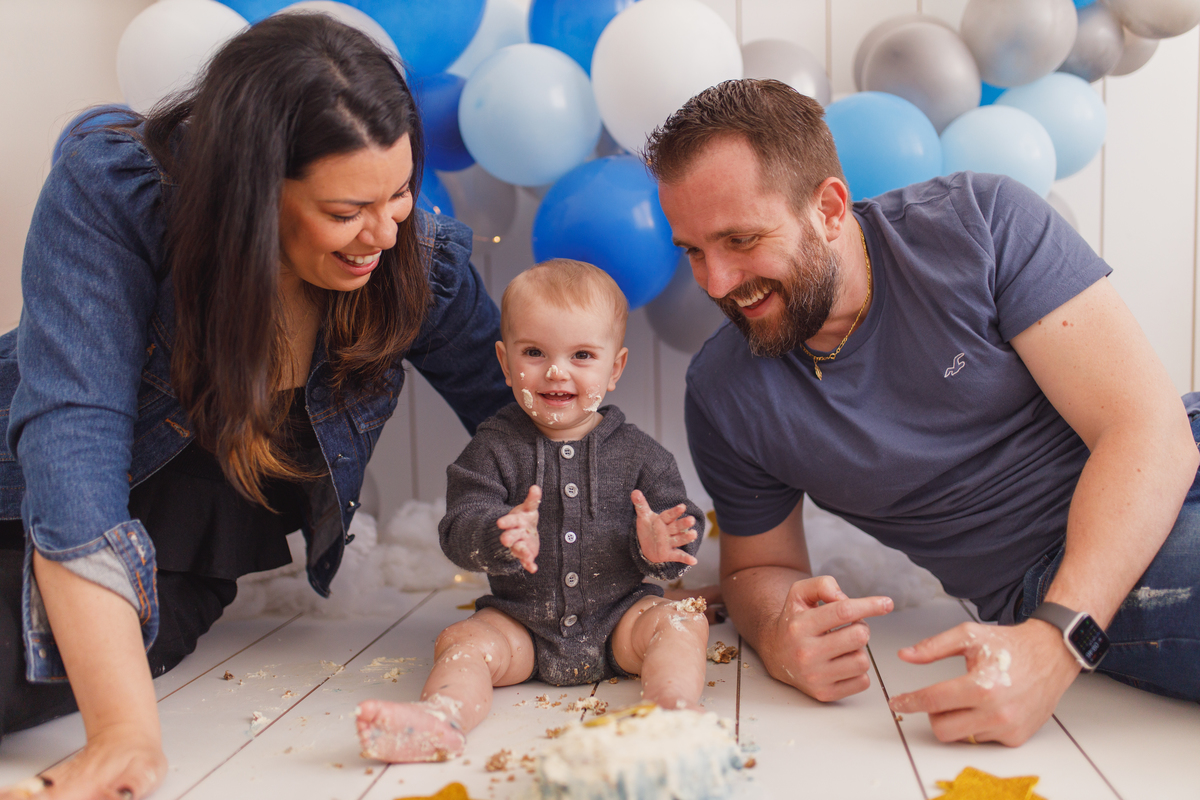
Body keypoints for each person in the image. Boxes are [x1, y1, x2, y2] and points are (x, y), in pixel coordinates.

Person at [0, 13, 511, 799]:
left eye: (401, 192)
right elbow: (73, 450)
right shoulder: (116, 193)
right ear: (252, 193)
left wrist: (635, 563)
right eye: (345, 213)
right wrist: (125, 734)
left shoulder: (416, 263)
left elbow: (531, 421)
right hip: (32, 488)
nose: (383, 233)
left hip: (174, 558)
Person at [644, 79, 1200, 747]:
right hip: (1060, 566)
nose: (716, 283)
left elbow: (1148, 428)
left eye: (740, 240)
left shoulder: (979, 221)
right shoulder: (725, 392)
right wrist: (777, 632)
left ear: (827, 207)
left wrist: (1055, 644)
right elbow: (755, 569)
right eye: (694, 251)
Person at [354, 259, 708, 762]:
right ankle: (442, 715)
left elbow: (681, 525)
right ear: (504, 363)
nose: (557, 371)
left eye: (582, 354)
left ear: (615, 368)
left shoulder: (642, 455)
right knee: (462, 640)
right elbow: (458, 525)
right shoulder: (493, 448)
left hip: (621, 620)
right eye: (535, 352)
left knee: (680, 620)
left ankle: (671, 710)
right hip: (521, 626)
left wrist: (659, 546)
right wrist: (498, 535)